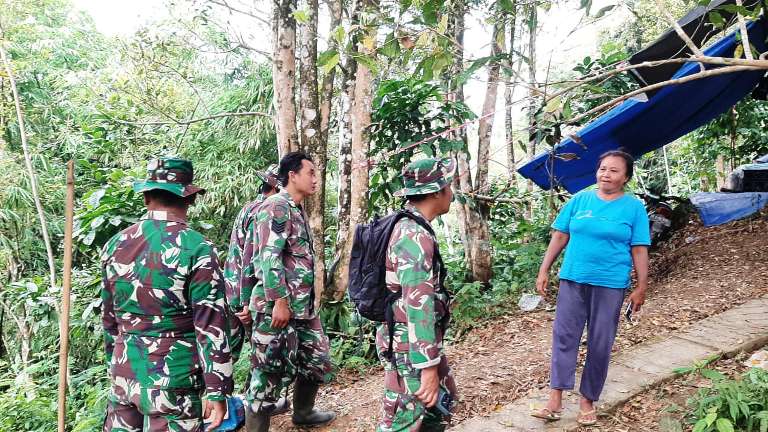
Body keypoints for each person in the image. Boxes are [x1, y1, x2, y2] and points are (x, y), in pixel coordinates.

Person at [101, 157, 234, 431]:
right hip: (174, 378)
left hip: (124, 371)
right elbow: (211, 326)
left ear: (147, 196)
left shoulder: (116, 244)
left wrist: (114, 364)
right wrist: (217, 390)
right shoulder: (198, 249)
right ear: (190, 198)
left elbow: (109, 318)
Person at [532, 150, 650, 426]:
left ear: (626, 178)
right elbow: (560, 235)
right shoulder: (579, 200)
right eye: (602, 169)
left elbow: (640, 249)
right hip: (573, 279)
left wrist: (641, 286)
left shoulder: (633, 208)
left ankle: (587, 401)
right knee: (564, 337)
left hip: (610, 284)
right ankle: (555, 400)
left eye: (614, 171)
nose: (606, 175)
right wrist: (544, 269)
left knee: (600, 342)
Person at [244, 152, 334, 431]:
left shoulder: (296, 208)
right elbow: (268, 257)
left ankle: (303, 413)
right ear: (292, 175)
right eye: (310, 172)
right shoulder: (276, 206)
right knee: (267, 373)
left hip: (302, 308)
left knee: (317, 360)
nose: (316, 179)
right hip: (277, 308)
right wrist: (279, 301)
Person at [377, 157, 458, 432]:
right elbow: (417, 302)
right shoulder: (413, 235)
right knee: (404, 420)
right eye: (448, 184)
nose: (452, 191)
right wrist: (427, 367)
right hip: (409, 344)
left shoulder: (413, 225)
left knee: (437, 410)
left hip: (414, 340)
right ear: (437, 191)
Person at [223, 164, 279, 333]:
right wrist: (246, 302)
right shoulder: (262, 212)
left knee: (228, 350)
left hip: (233, 287)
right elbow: (250, 256)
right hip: (242, 294)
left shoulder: (250, 207)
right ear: (277, 188)